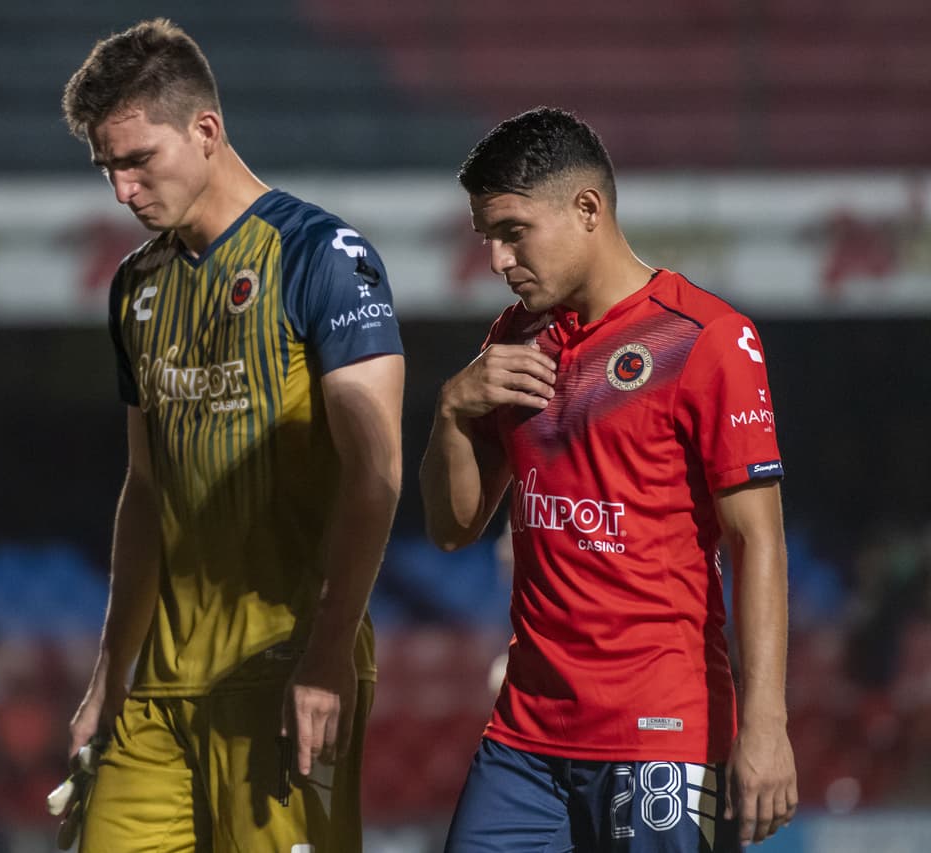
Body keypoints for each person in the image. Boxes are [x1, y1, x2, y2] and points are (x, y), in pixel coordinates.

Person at [60, 18, 404, 853]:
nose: (121, 189)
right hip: (163, 692)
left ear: (205, 131)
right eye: (107, 167)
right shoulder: (135, 288)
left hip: (284, 669)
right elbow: (145, 490)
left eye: (138, 160)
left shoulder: (323, 255)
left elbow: (377, 477)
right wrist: (111, 677)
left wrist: (325, 658)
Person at [419, 108, 796, 852]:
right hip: (524, 735)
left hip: (660, 732)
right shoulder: (514, 338)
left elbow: (759, 543)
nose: (497, 258)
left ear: (587, 209)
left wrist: (767, 727)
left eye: (512, 230)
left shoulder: (706, 338)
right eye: (486, 237)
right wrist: (451, 408)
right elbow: (454, 525)